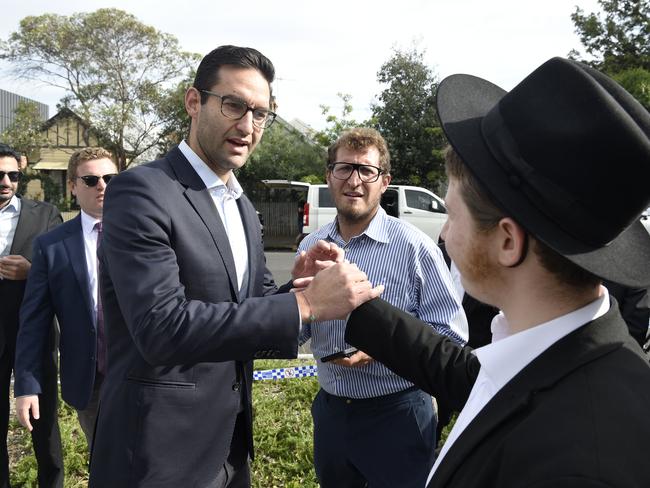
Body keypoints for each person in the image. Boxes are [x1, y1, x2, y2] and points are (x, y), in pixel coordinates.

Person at [306, 57, 650, 486]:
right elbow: (460, 372)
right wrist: (338, 302)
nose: (444, 235)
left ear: (508, 241)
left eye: (451, 214)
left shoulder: (581, 463)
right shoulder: (554, 351)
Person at [88, 45, 373, 488]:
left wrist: (298, 286)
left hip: (229, 449)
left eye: (261, 113)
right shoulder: (141, 191)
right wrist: (305, 304)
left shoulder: (240, 205)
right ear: (193, 102)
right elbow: (160, 328)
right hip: (157, 454)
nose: (247, 126)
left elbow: (250, 310)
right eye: (234, 105)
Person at [297, 127, 467, 488]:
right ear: (329, 176)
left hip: (398, 414)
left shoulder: (415, 248)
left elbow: (451, 338)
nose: (354, 181)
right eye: (344, 168)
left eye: (366, 171)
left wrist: (381, 349)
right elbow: (297, 334)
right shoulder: (311, 248)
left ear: (384, 181)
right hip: (332, 413)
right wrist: (294, 300)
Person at [13, 147, 118, 451]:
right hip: (91, 382)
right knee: (105, 465)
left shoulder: (147, 232)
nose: (102, 186)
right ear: (72, 186)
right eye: (91, 180)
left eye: (110, 178)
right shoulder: (52, 246)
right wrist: (27, 386)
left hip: (146, 374)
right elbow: (33, 322)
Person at [0, 144, 63, 487]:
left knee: (44, 422)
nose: (7, 181)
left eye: (13, 175)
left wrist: (33, 269)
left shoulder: (45, 214)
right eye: (0, 175)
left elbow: (64, 268)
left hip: (34, 331)